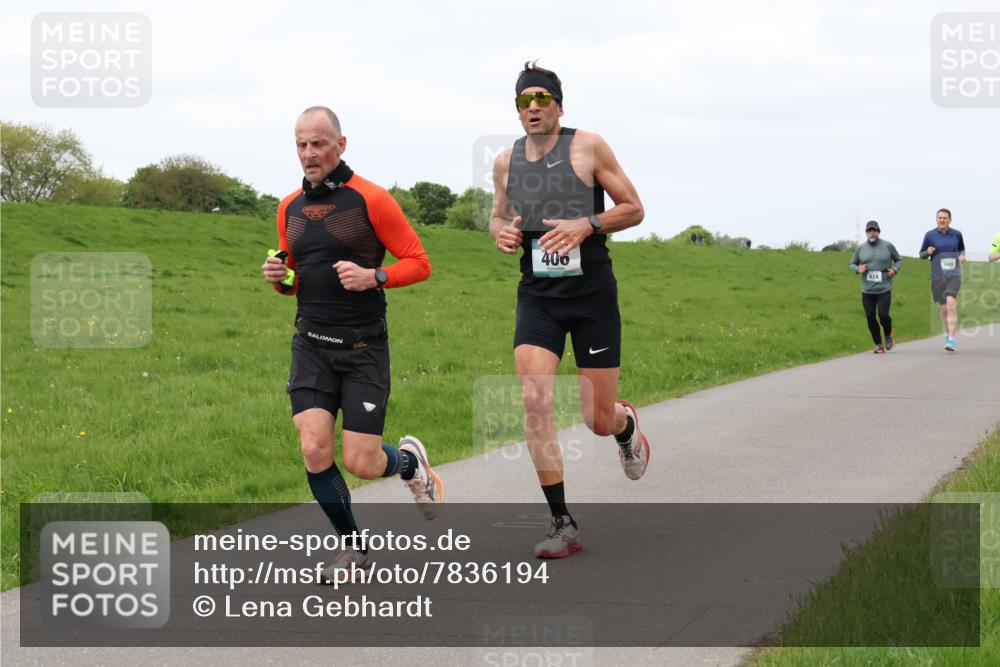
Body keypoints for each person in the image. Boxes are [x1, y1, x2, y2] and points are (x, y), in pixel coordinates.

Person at [261, 106, 442, 583]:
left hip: (363, 348)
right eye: (301, 144)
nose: (308, 153)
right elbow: (299, 280)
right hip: (311, 345)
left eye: (318, 143)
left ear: (341, 145)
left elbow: (419, 262)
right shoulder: (288, 208)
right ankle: (355, 549)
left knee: (361, 463)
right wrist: (281, 279)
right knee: (314, 448)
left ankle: (408, 463)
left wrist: (374, 276)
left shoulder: (372, 200)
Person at [489, 62, 650, 559]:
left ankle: (624, 426)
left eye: (541, 98)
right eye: (523, 101)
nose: (532, 107)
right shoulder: (505, 161)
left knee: (596, 420)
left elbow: (634, 207)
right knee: (535, 400)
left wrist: (588, 224)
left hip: (591, 295)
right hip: (538, 295)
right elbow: (498, 213)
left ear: (560, 104)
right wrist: (502, 231)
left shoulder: (589, 147)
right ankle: (562, 522)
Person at [850, 221, 902, 353]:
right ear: (866, 233)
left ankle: (889, 335)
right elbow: (852, 264)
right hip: (867, 290)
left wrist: (894, 270)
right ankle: (878, 344)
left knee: (883, 314)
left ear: (878, 232)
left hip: (884, 288)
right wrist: (858, 268)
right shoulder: (861, 248)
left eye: (874, 230)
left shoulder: (887, 246)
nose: (872, 233)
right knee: (870, 316)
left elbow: (899, 259)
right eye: (869, 231)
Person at [919, 208, 966, 351]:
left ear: (950, 220)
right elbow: (921, 254)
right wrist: (928, 252)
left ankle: (952, 338)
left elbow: (962, 249)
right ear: (936, 219)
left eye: (945, 217)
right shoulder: (930, 235)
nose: (942, 220)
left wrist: (962, 256)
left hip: (953, 274)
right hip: (938, 276)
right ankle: (947, 333)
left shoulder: (957, 234)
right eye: (939, 217)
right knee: (944, 307)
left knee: (951, 302)